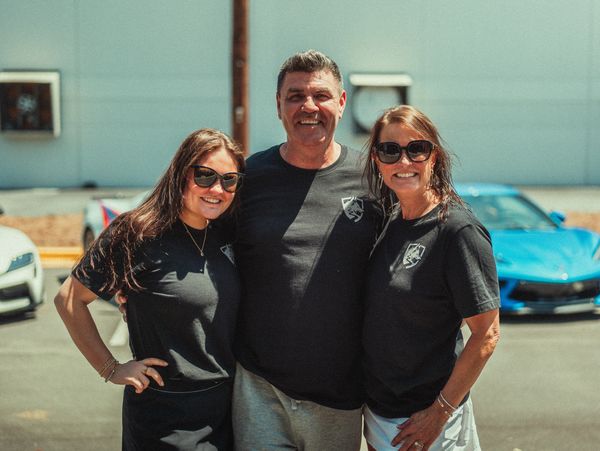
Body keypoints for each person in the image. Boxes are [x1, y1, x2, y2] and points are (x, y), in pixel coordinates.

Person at [54, 128, 245, 450]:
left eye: (229, 180)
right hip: (164, 414)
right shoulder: (137, 232)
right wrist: (110, 368)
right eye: (205, 176)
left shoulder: (226, 232)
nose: (217, 189)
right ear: (182, 175)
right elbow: (69, 300)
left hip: (227, 408)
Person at [231, 50, 379, 450]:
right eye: (295, 96)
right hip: (260, 388)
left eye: (321, 95)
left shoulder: (374, 178)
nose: (308, 107)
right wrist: (136, 283)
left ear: (342, 102)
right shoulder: (246, 179)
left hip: (341, 394)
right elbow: (194, 237)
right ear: (278, 105)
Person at [361, 105, 500, 451]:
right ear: (377, 160)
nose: (403, 162)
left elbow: (487, 334)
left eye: (416, 149)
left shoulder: (457, 230)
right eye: (390, 150)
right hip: (381, 415)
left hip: (428, 423)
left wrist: (440, 412)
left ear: (433, 157)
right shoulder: (391, 221)